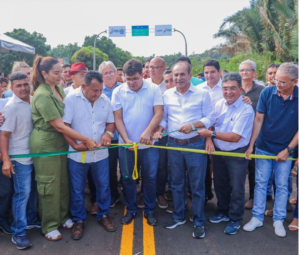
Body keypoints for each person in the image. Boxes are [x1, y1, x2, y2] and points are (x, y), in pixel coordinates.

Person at [29, 56, 98, 241]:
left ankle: (62, 217)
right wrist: (85, 139)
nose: (62, 75)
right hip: (45, 143)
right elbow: (59, 125)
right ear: (44, 74)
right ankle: (49, 224)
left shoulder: (58, 88)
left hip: (60, 142)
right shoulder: (42, 94)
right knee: (49, 184)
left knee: (62, 181)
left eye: (62, 72)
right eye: (56, 73)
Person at [154, 61, 214, 239]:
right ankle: (178, 216)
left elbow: (210, 118)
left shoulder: (202, 94)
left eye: (182, 74)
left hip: (195, 145)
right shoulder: (167, 95)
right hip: (173, 145)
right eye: (175, 75)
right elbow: (164, 119)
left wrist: (193, 125)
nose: (178, 78)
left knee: (197, 186)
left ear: (190, 75)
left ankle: (198, 221)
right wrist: (159, 130)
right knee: (176, 184)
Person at [243, 62, 298, 238]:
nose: (277, 85)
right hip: (264, 147)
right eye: (275, 80)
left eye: (282, 82)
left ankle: (278, 219)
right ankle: (257, 217)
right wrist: (252, 145)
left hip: (285, 150)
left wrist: (288, 150)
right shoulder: (267, 92)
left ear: (295, 82)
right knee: (261, 182)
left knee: (282, 186)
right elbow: (258, 120)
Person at [198, 73, 254, 235]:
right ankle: (222, 212)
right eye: (225, 88)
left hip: (237, 153)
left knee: (237, 187)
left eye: (233, 88)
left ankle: (235, 219)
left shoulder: (246, 109)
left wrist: (211, 135)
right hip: (218, 151)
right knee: (221, 184)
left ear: (240, 90)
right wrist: (209, 140)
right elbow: (211, 124)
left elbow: (235, 137)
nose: (228, 92)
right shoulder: (219, 104)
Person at [63, 71, 116, 240]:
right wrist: (74, 145)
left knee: (103, 186)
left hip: (100, 155)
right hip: (77, 156)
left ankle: (103, 214)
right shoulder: (71, 100)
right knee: (77, 189)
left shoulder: (105, 100)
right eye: (94, 90)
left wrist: (108, 133)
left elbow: (111, 122)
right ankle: (79, 219)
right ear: (83, 86)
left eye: (100, 90)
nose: (98, 94)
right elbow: (64, 126)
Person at [111, 59, 163, 226]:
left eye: (135, 78)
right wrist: (126, 140)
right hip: (126, 146)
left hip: (149, 146)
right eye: (128, 79)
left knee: (150, 178)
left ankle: (149, 210)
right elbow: (117, 118)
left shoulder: (153, 89)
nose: (131, 83)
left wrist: (148, 132)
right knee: (127, 179)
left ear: (142, 75)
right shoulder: (118, 91)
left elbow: (158, 114)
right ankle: (131, 209)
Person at [1, 72, 40, 249]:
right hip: (19, 158)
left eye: (25, 84)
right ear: (11, 88)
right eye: (18, 85)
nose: (23, 88)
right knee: (22, 194)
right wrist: (7, 161)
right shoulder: (11, 107)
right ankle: (18, 233)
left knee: (32, 192)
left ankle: (31, 220)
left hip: (34, 156)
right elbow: (5, 135)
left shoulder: (33, 100)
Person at [239, 59, 265, 210]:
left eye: (247, 70)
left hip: (256, 135)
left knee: (254, 167)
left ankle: (253, 198)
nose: (244, 73)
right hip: (238, 135)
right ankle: (237, 196)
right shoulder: (236, 89)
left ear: (254, 73)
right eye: (241, 70)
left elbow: (264, 115)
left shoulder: (262, 90)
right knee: (238, 167)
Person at [98, 61, 122, 209]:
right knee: (110, 169)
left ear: (116, 73)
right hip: (109, 138)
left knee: (127, 169)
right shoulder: (100, 91)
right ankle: (114, 195)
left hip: (125, 136)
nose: (109, 75)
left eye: (111, 72)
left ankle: (130, 194)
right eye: (105, 73)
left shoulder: (124, 88)